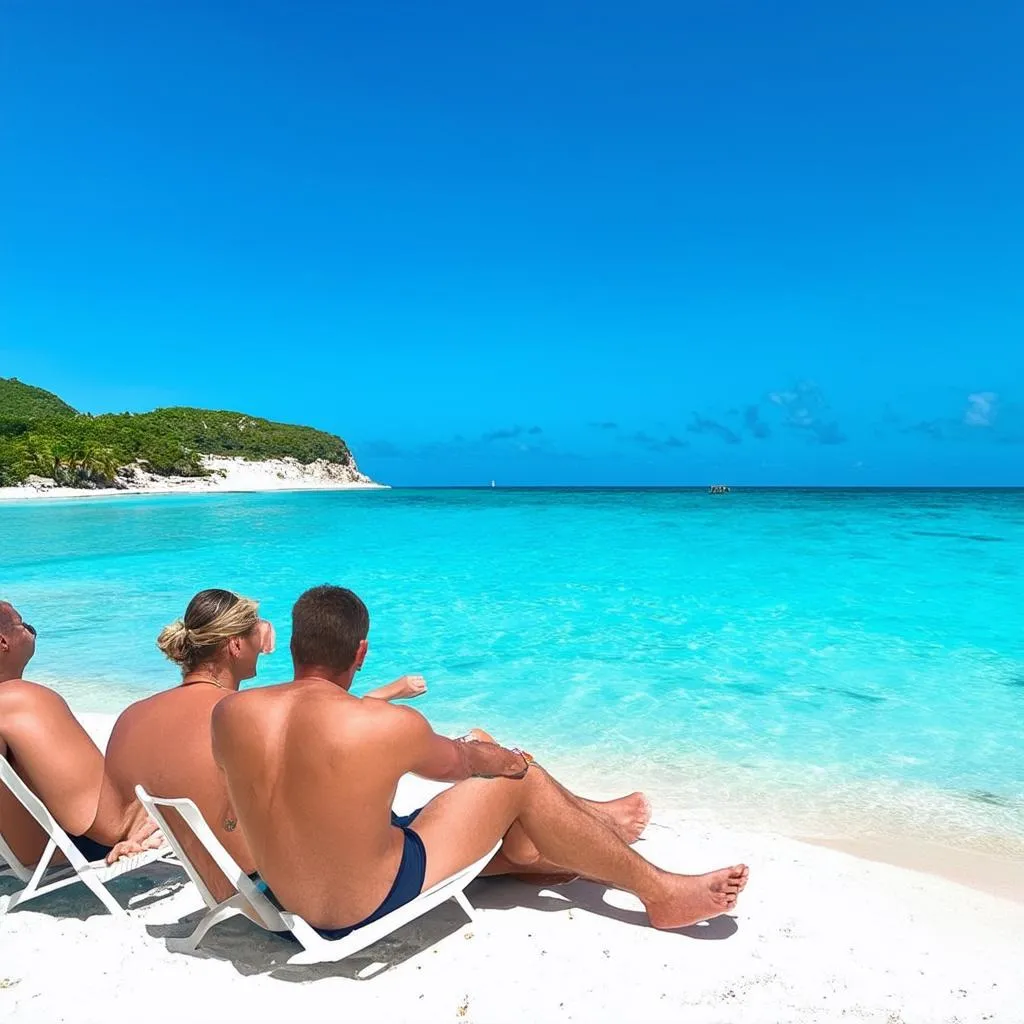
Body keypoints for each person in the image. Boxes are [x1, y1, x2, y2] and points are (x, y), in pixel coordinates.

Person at [212, 585, 748, 939]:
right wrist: (504, 757)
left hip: (283, 899)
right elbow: (466, 764)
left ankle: (587, 827)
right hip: (357, 904)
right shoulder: (384, 725)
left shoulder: (232, 713)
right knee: (519, 778)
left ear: (294, 648)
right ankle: (661, 894)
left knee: (493, 796)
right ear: (361, 652)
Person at [102, 588, 430, 902]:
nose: (262, 644)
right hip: (270, 882)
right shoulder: (237, 722)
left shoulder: (133, 716)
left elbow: (154, 797)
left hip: (202, 866)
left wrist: (144, 836)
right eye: (255, 634)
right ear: (235, 646)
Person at [0, 601, 158, 868]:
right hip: (70, 849)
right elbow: (113, 825)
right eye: (24, 625)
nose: (31, 631)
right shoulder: (19, 700)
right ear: (3, 642)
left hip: (25, 851)